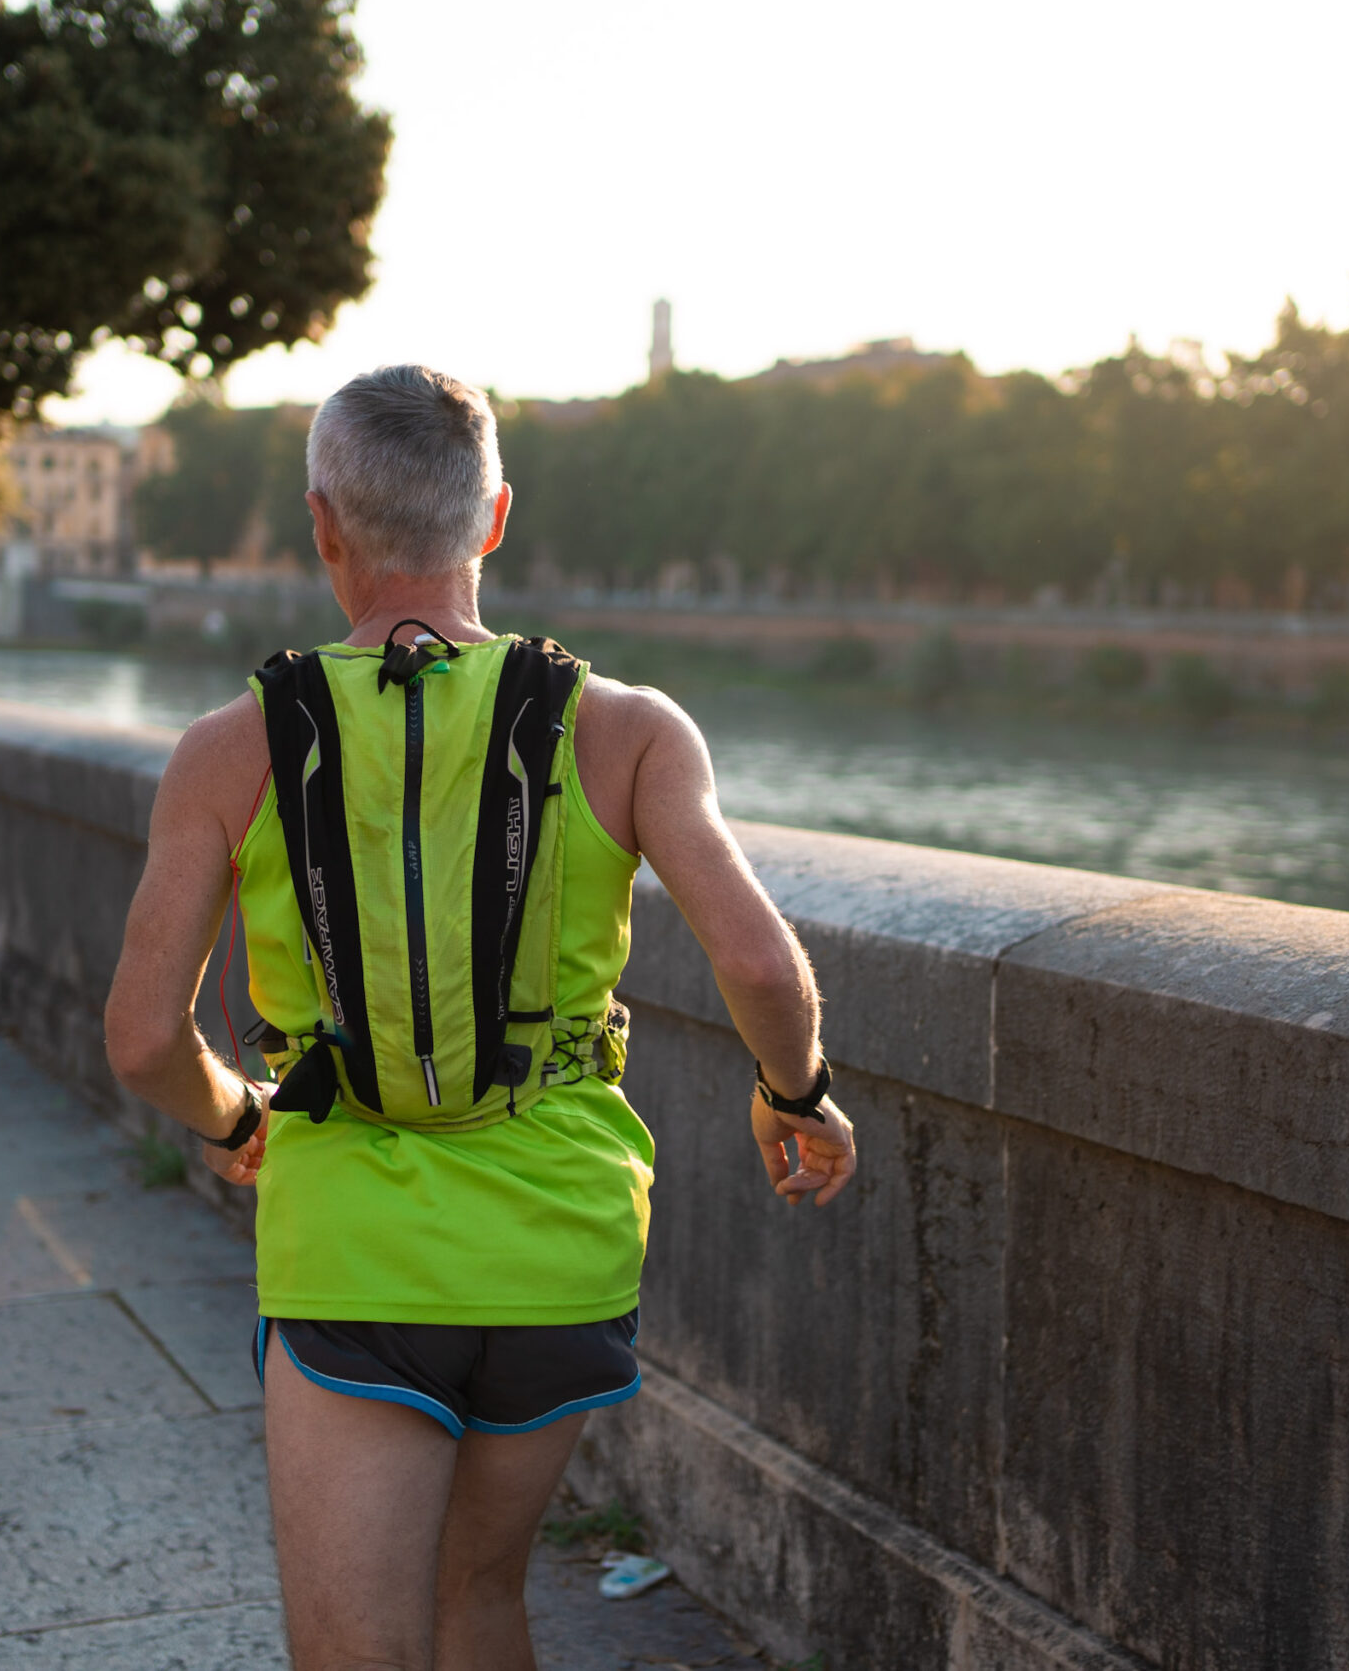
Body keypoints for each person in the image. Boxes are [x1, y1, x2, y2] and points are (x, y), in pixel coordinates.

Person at [103, 363, 857, 1671]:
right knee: (481, 1600)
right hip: (558, 1249)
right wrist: (794, 1094)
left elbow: (141, 1038)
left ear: (323, 525)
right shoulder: (626, 730)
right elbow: (761, 966)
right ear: (493, 520)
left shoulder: (235, 751)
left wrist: (236, 1117)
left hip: (358, 1258)